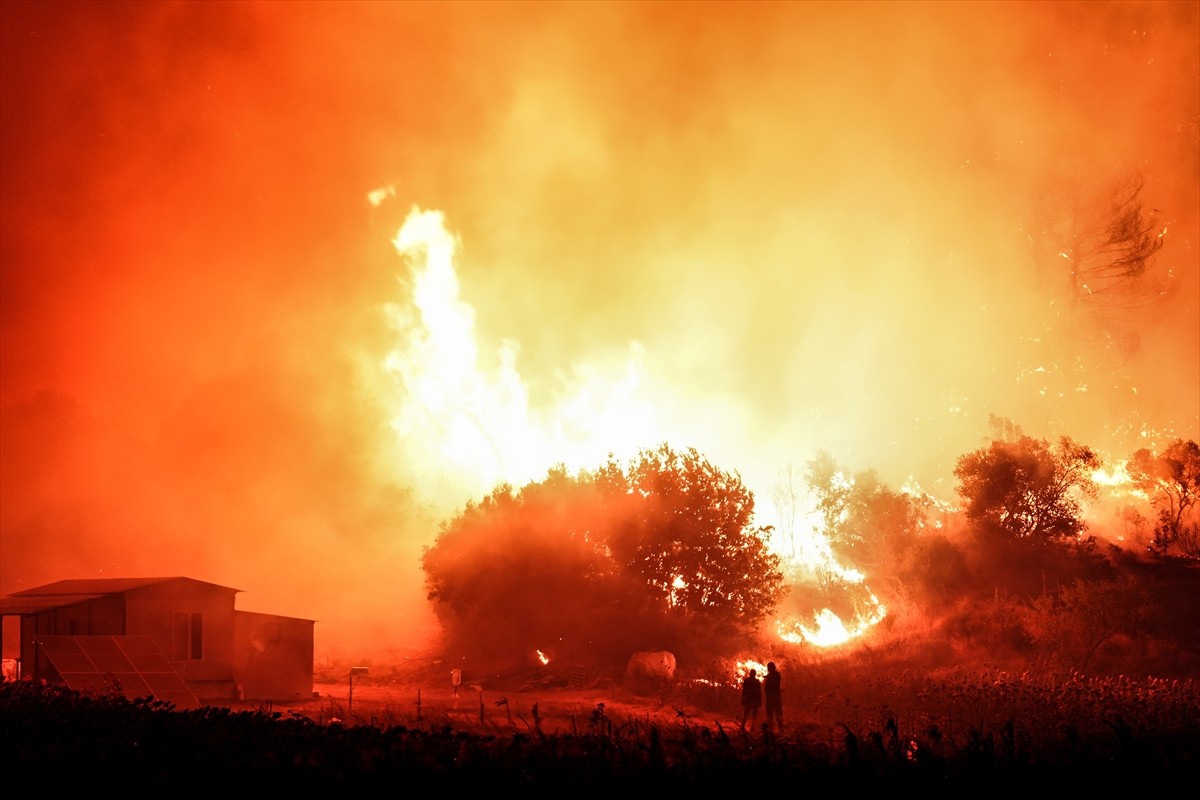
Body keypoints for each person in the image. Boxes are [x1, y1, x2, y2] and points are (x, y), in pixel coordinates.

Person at [763, 661, 783, 730]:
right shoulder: (775, 674)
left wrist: (767, 677)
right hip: (774, 696)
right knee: (775, 712)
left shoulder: (775, 675)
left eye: (768, 667)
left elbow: (772, 682)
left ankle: (777, 728)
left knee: (773, 712)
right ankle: (777, 728)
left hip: (772, 696)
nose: (768, 669)